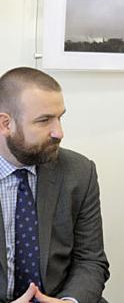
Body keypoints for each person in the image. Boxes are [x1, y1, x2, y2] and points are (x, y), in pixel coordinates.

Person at [0, 67, 109, 302]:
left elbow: (90, 260)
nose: (59, 132)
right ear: (5, 124)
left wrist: (70, 301)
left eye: (60, 117)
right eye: (44, 120)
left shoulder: (79, 171)